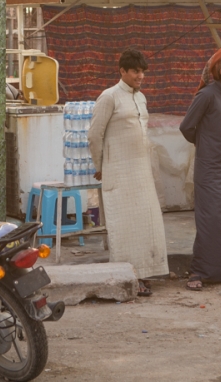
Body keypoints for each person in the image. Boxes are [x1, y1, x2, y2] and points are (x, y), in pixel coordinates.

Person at [88, 49, 169, 297]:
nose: (140, 76)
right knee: (124, 228)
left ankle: (144, 273)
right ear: (122, 71)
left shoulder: (141, 98)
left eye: (142, 71)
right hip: (118, 172)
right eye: (135, 71)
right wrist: (100, 165)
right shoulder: (109, 97)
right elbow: (94, 134)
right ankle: (127, 278)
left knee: (146, 224)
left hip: (141, 171)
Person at [179, 45, 221, 291]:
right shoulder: (206, 95)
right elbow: (187, 127)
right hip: (209, 168)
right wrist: (206, 144)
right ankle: (200, 272)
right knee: (210, 219)